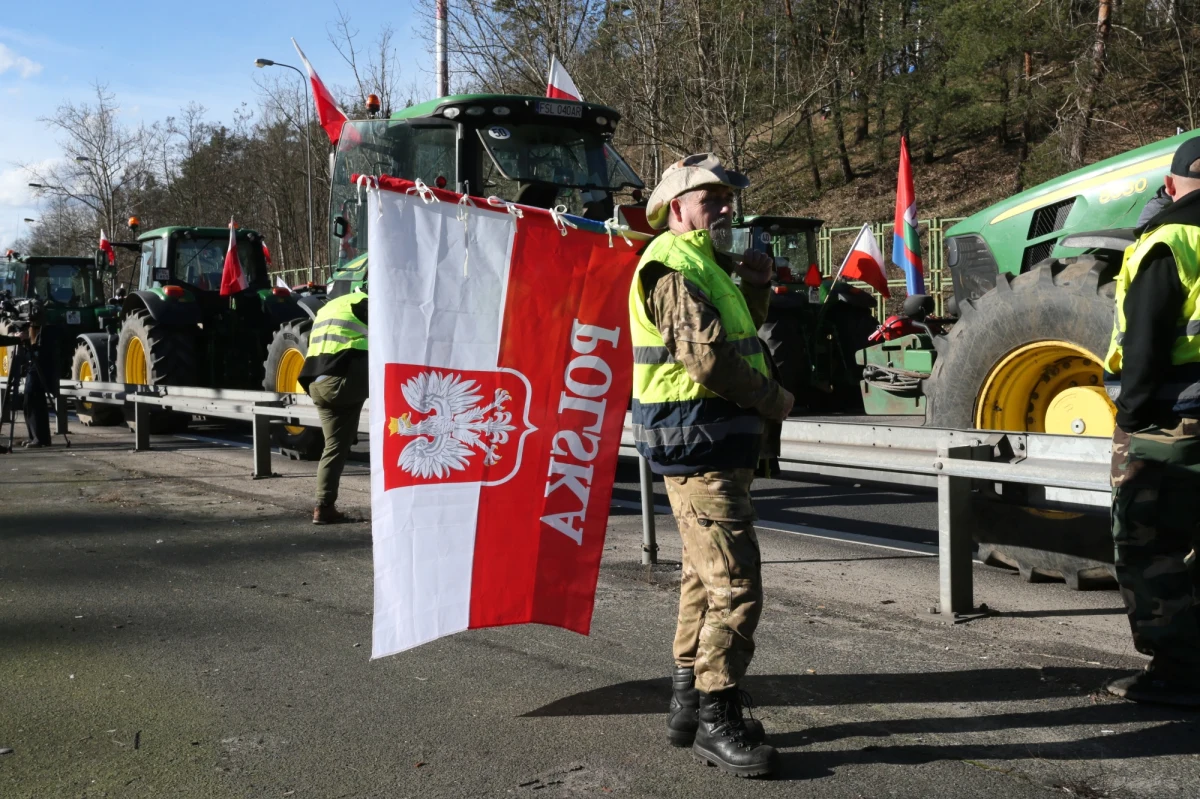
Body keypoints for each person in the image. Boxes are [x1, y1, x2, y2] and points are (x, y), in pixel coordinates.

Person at [628, 153, 794, 777]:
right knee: (735, 584)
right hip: (698, 448)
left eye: (728, 198)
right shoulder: (673, 265)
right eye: (710, 198)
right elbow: (708, 362)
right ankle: (716, 717)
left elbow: (741, 331)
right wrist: (772, 398)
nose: (725, 208)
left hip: (712, 444)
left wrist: (754, 283)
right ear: (677, 208)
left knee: (703, 577)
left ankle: (688, 704)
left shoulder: (704, 262)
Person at [1104, 135, 1200, 706]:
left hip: (1172, 421)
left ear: (1170, 187)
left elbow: (1143, 343)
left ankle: (1178, 670)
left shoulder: (1170, 241)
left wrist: (1130, 417)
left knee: (1150, 546)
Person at [298, 285, 368, 525]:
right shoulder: (367, 304)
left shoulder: (332, 305)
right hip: (342, 381)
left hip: (317, 383)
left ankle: (323, 507)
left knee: (335, 447)